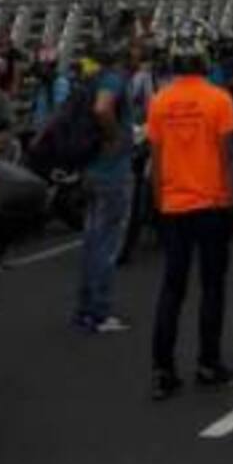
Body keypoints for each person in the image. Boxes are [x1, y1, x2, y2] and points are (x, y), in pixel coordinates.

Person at [147, 27, 233, 400]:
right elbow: (227, 157)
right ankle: (208, 364)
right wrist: (232, 204)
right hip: (212, 205)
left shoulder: (160, 102)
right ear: (205, 61)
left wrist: (159, 205)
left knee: (172, 288)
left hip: (173, 206)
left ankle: (162, 370)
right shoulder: (219, 99)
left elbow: (156, 161)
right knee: (212, 287)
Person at [73, 43, 134, 334]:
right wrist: (116, 137)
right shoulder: (112, 80)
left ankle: (85, 309)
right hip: (111, 172)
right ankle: (99, 312)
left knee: (91, 240)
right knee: (107, 244)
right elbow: (102, 109)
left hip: (91, 168)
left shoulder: (91, 80)